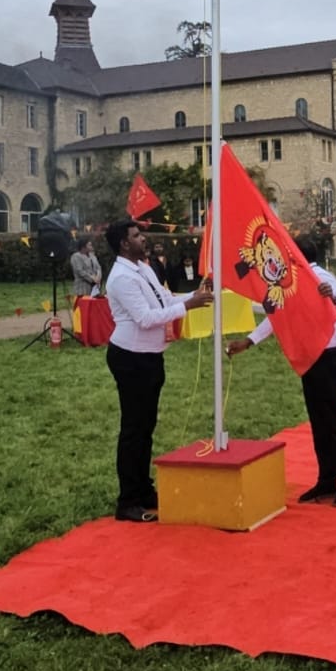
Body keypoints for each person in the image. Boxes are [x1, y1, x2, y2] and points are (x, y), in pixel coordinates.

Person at [225, 235, 336, 505]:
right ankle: (326, 480)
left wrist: (332, 297)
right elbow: (277, 315)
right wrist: (249, 341)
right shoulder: (287, 282)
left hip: (330, 353)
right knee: (318, 418)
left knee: (334, 418)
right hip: (309, 354)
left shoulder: (320, 276)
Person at [103, 217, 212, 522]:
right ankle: (127, 500)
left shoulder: (144, 268)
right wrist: (188, 307)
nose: (143, 239)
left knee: (146, 427)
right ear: (124, 244)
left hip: (150, 357)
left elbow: (164, 299)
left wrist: (194, 295)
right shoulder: (121, 277)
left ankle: (143, 489)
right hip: (131, 357)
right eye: (137, 235)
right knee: (133, 430)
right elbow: (146, 318)